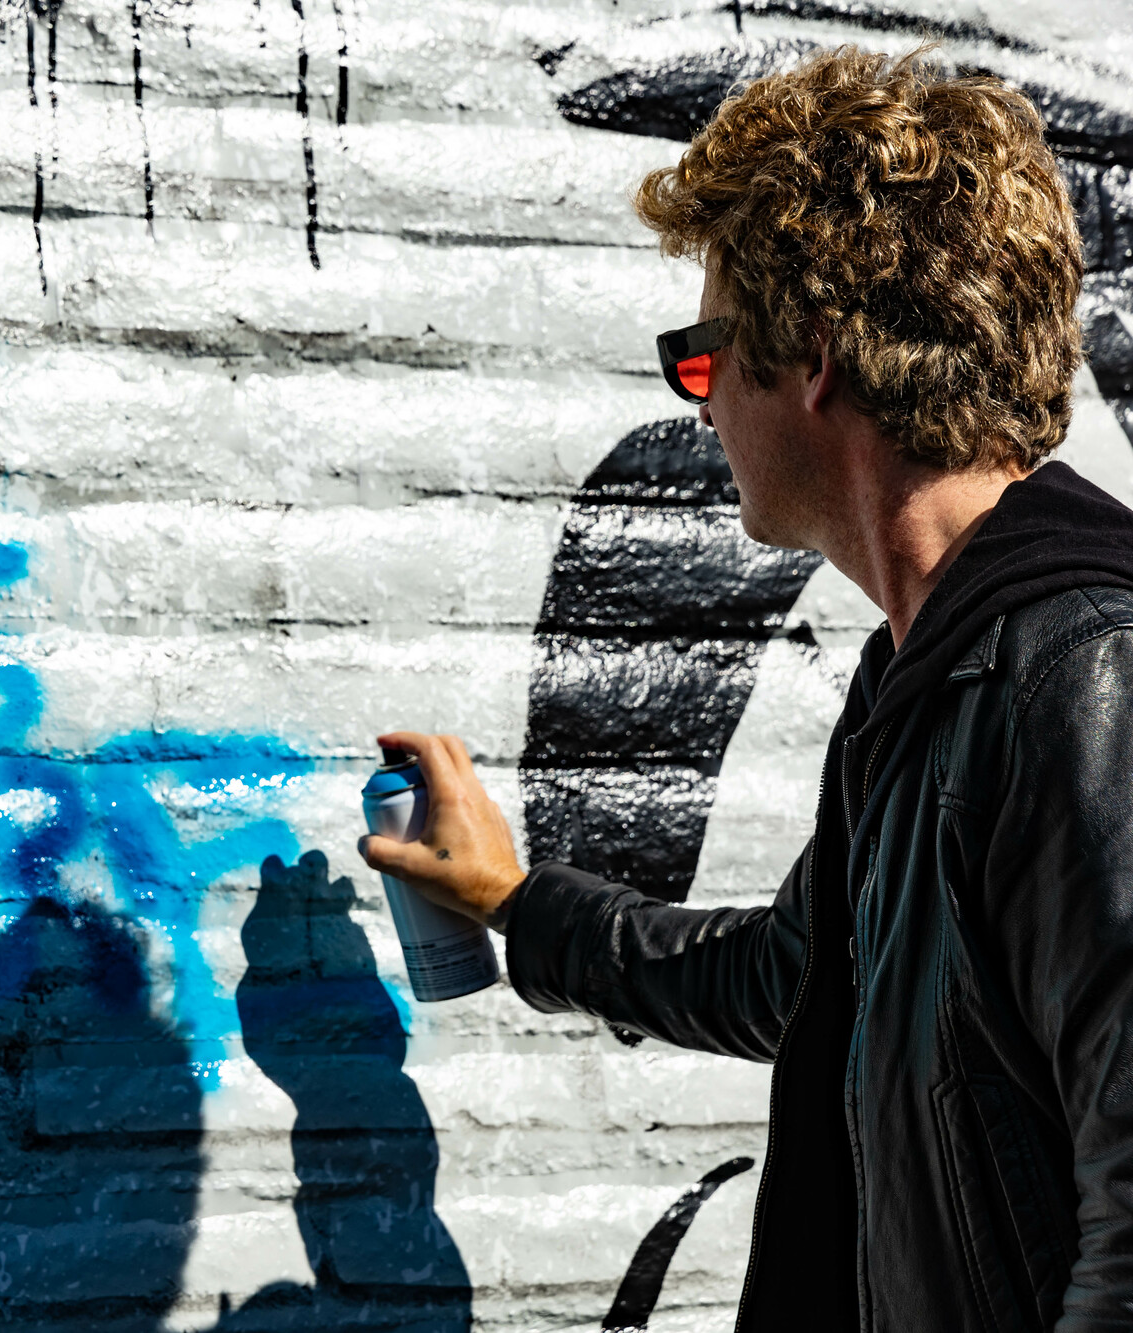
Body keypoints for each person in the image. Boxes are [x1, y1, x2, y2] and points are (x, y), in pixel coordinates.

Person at [359, 46, 1133, 1330]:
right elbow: (798, 976)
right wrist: (510, 902)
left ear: (813, 355)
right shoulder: (931, 673)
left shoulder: (1077, 679)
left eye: (706, 357)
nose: (701, 407)